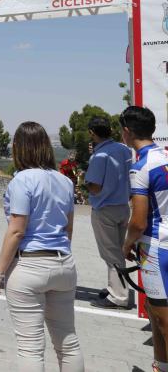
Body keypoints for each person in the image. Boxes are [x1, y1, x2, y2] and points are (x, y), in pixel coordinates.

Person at [0, 121, 83, 371]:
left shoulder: (21, 181)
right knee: (68, 341)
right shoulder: (65, 182)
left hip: (29, 265)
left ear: (19, 147)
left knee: (30, 347)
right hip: (63, 262)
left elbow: (17, 230)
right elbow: (68, 228)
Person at [120, 106, 168, 372]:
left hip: (156, 249)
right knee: (155, 311)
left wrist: (126, 244)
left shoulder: (140, 166)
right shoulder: (165, 156)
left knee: (162, 320)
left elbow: (138, 221)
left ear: (127, 132)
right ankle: (160, 366)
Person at [84, 116, 132, 309]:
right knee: (118, 251)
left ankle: (118, 296)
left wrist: (85, 184)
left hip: (104, 209)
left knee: (111, 254)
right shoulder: (123, 149)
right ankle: (117, 287)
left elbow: (94, 187)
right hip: (123, 206)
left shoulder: (99, 156)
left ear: (91, 133)